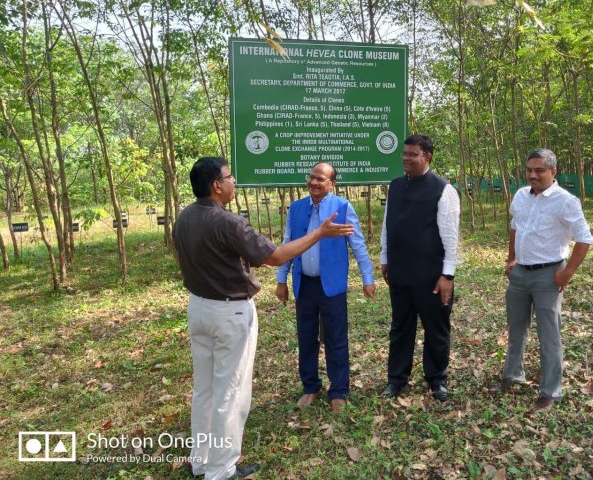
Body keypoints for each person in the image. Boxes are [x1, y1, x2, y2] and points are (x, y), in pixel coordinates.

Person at [173, 157, 354, 480]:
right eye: (229, 178)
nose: (234, 183)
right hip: (228, 313)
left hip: (198, 308)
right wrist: (320, 233)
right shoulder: (227, 222)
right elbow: (275, 256)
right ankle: (221, 469)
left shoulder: (184, 217)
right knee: (230, 390)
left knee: (205, 388)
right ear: (216, 186)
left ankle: (200, 459)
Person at [493, 148, 593, 412]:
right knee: (516, 330)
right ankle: (512, 375)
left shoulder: (565, 201)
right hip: (520, 275)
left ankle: (551, 391)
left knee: (549, 334)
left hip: (548, 275)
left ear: (553, 172)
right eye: (529, 170)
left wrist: (566, 272)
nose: (533, 175)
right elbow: (515, 226)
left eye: (539, 170)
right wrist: (510, 258)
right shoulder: (520, 196)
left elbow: (584, 238)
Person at [275, 163, 375, 413]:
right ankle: (311, 387)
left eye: (320, 179)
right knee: (306, 336)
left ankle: (338, 391)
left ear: (332, 184)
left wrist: (367, 277)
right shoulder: (296, 209)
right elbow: (288, 243)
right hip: (304, 285)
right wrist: (281, 279)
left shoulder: (342, 207)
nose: (314, 182)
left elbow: (358, 244)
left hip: (332, 286)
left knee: (336, 338)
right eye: (312, 177)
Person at [380, 134, 460, 402]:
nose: (406, 158)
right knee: (400, 328)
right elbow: (387, 224)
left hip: (431, 276)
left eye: (412, 154)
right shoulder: (395, 186)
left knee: (435, 327)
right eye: (404, 153)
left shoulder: (442, 189)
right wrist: (385, 257)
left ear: (427, 157)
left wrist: (447, 275)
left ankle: (437, 379)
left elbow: (451, 236)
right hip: (400, 273)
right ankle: (396, 379)